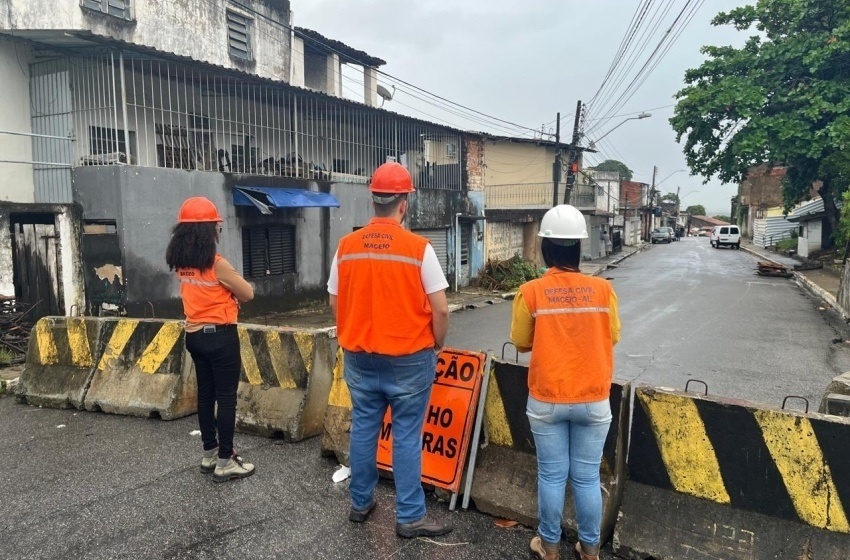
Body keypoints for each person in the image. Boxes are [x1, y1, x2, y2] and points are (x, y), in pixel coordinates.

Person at [327, 162, 452, 539]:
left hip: (359, 357)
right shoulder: (418, 248)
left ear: (374, 200)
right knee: (408, 435)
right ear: (404, 202)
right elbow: (441, 308)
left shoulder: (347, 246)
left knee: (364, 427)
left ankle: (361, 502)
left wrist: (352, 330)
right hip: (410, 360)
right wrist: (437, 344)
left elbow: (335, 299)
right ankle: (410, 515)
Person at [510, 205, 621, 560]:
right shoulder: (604, 291)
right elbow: (612, 336)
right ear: (579, 248)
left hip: (547, 399)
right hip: (593, 399)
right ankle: (590, 550)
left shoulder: (531, 292)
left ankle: (550, 546)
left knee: (552, 476)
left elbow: (521, 341)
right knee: (587, 478)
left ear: (545, 249)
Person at [166, 197, 256, 483]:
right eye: (216, 226)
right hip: (220, 337)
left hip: (194, 336)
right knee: (226, 398)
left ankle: (209, 454)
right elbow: (248, 294)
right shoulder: (217, 265)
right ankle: (226, 461)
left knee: (205, 396)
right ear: (208, 231)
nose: (219, 231)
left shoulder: (182, 265)